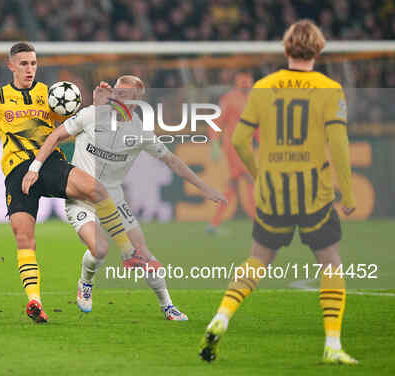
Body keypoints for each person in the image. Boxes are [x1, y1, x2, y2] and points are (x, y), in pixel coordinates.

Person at [0, 42, 140, 324]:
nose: (30, 69)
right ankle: (34, 301)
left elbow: (76, 125)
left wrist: (98, 104)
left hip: (49, 164)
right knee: (24, 237)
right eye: (24, 64)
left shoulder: (50, 94)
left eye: (33, 64)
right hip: (17, 172)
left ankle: (127, 252)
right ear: (11, 66)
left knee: (97, 189)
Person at [198, 20, 358, 365]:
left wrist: (260, 176)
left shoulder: (263, 87)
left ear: (286, 50)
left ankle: (222, 315)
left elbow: (239, 140)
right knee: (330, 263)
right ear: (319, 50)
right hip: (314, 191)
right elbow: (339, 144)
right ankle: (332, 344)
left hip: (274, 191)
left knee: (257, 260)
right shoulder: (330, 89)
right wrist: (347, 192)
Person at [22, 75, 227, 320]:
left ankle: (167, 306)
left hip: (114, 200)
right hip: (81, 196)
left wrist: (204, 188)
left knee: (141, 253)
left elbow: (172, 161)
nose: (118, 97)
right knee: (99, 250)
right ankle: (86, 282)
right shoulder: (92, 114)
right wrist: (35, 167)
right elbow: (55, 136)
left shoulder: (140, 132)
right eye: (117, 92)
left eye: (125, 94)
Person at [207, 71, 257, 234]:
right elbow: (216, 122)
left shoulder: (253, 99)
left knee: (233, 186)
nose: (246, 85)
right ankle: (259, 225)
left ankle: (214, 224)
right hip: (234, 147)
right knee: (250, 180)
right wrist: (214, 143)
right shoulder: (229, 99)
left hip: (246, 146)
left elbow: (257, 126)